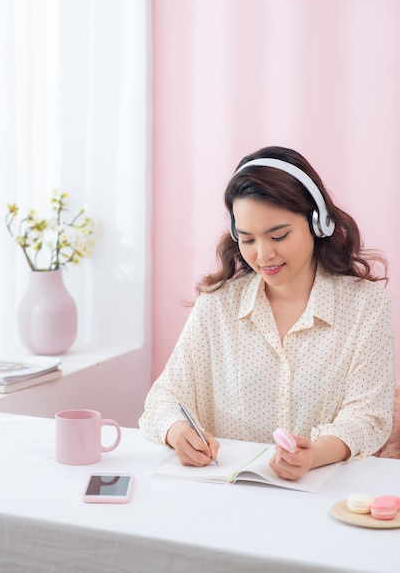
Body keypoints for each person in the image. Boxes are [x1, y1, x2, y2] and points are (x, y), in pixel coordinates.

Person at [139, 146, 395, 480]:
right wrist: (176, 432)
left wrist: (313, 455)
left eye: (279, 235)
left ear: (318, 223)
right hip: (226, 497)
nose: (263, 255)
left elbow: (368, 418)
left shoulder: (366, 305)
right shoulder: (217, 306)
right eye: (247, 239)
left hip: (322, 493)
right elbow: (164, 399)